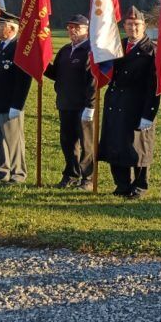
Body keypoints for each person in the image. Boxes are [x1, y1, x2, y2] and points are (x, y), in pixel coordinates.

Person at [98, 6, 160, 198]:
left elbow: (154, 86)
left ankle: (140, 186)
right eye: (129, 24)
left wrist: (148, 114)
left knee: (139, 148)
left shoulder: (151, 50)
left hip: (137, 105)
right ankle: (122, 184)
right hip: (116, 102)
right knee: (116, 144)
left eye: (137, 24)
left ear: (144, 26)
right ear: (124, 26)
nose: (133, 28)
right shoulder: (117, 46)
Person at [0, 10, 32, 184]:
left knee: (13, 141)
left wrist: (17, 105)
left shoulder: (19, 49)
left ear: (12, 28)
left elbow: (23, 80)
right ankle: (0, 172)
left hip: (9, 103)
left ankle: (18, 174)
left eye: (0, 25)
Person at [43, 14, 96, 190]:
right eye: (70, 27)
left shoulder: (91, 51)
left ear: (87, 30)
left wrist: (90, 105)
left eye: (77, 28)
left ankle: (87, 178)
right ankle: (71, 174)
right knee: (67, 142)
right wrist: (41, 63)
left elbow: (93, 81)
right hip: (65, 103)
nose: (72, 31)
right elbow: (56, 74)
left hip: (83, 105)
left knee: (86, 143)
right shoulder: (65, 50)